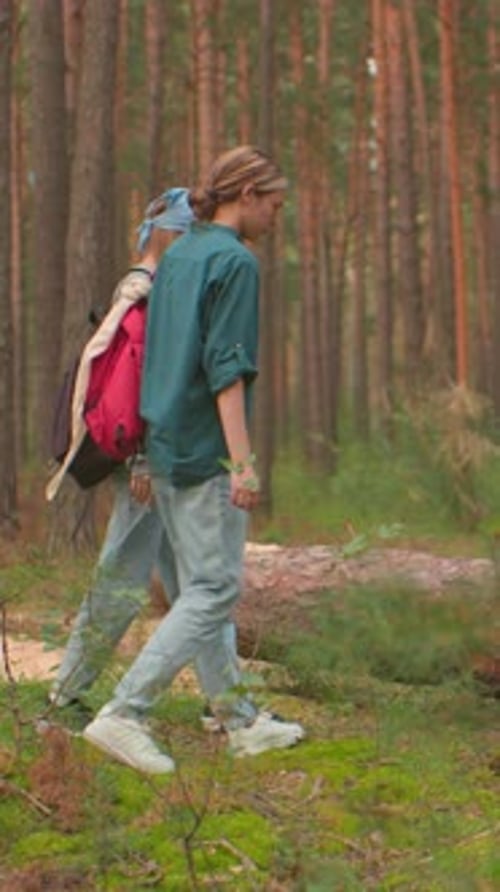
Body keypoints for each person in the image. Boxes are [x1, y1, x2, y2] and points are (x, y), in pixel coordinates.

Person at [83, 145, 306, 773]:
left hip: (166, 448)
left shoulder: (178, 254)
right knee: (213, 588)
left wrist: (147, 458)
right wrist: (242, 463)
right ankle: (126, 712)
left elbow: (155, 358)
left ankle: (239, 721)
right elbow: (225, 370)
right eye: (274, 203)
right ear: (246, 194)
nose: (275, 216)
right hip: (206, 450)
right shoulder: (235, 262)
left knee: (195, 587)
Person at [48, 188, 240, 729]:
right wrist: (143, 462)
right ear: (170, 235)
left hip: (160, 461)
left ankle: (227, 705)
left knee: (193, 582)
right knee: (122, 581)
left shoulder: (142, 287)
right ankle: (67, 698)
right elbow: (141, 385)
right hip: (151, 464)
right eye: (188, 234)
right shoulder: (149, 295)